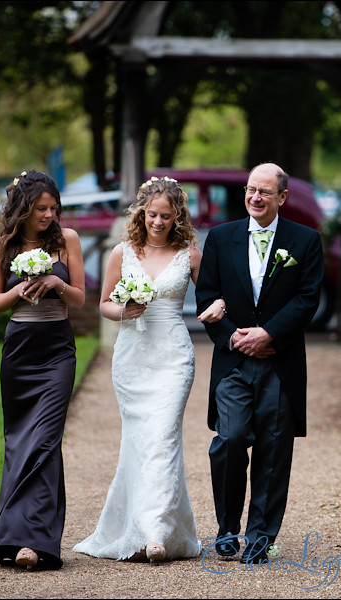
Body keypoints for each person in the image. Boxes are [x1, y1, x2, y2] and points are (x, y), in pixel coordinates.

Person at [74, 175, 226, 562]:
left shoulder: (190, 254)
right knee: (140, 441)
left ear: (178, 218)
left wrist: (221, 307)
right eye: (152, 214)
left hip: (174, 357)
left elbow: (213, 295)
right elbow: (103, 304)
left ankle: (156, 532)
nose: (158, 222)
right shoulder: (122, 252)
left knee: (164, 437)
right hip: (132, 358)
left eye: (166, 216)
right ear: (141, 212)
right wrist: (123, 309)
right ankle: (142, 525)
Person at [195, 162, 324, 563]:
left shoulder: (305, 241)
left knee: (273, 449)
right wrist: (233, 335)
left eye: (264, 192)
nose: (255, 197)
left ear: (282, 197)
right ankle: (228, 528)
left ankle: (260, 540)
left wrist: (270, 334)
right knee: (230, 440)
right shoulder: (220, 238)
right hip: (233, 362)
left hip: (280, 362)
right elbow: (207, 297)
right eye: (251, 190)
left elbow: (308, 299)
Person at [0, 169, 86, 570]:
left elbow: (79, 299)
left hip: (57, 350)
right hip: (20, 351)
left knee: (45, 440)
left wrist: (55, 284)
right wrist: (20, 288)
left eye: (53, 208)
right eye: (41, 208)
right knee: (19, 442)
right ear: (23, 209)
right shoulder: (1, 246)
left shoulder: (68, 241)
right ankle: (13, 535)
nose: (49, 215)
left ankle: (36, 542)